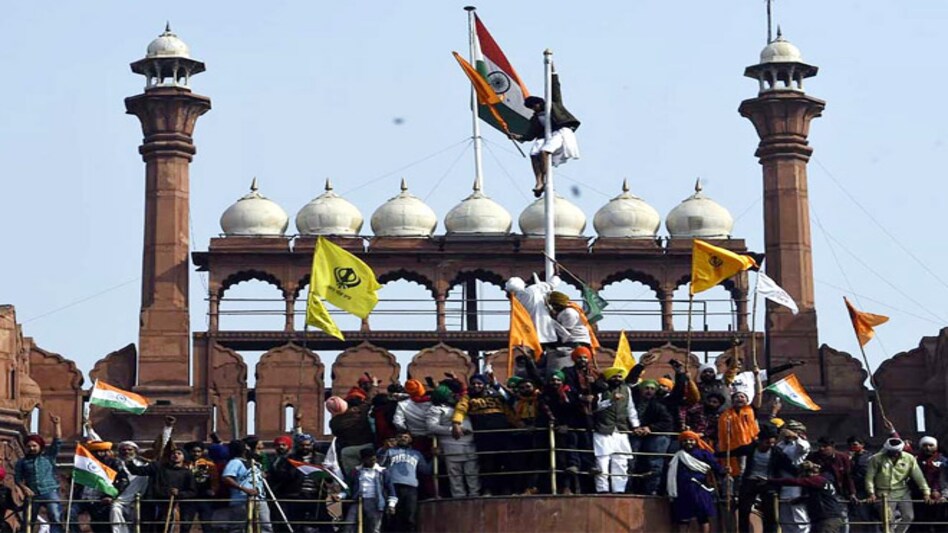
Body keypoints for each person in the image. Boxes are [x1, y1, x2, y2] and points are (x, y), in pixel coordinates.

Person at [513, 65, 581, 197]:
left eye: (534, 106)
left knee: (544, 152)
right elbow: (531, 134)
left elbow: (555, 89)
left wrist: (553, 71)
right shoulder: (536, 117)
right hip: (544, 136)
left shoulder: (553, 105)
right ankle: (538, 181)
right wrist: (518, 137)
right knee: (534, 153)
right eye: (532, 108)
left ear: (539, 103)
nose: (534, 109)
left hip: (560, 132)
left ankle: (545, 179)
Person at [452, 374, 520, 496]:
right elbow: (460, 409)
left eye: (479, 383)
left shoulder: (496, 396)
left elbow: (508, 411)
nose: (476, 386)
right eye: (473, 384)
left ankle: (507, 489)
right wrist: (456, 423)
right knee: (487, 463)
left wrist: (519, 425)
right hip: (483, 437)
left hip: (502, 435)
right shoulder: (468, 398)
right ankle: (488, 490)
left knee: (506, 462)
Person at [723, 426, 796, 533]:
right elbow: (732, 452)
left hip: (767, 483)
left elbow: (789, 466)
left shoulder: (776, 452)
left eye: (772, 443)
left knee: (770, 513)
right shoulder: (750, 448)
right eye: (767, 443)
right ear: (760, 441)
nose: (770, 445)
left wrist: (803, 472)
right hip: (750, 481)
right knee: (744, 510)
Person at [122, 444, 197, 533]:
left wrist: (179, 493)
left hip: (167, 505)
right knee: (146, 527)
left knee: (163, 528)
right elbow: (137, 471)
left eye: (179, 453)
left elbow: (192, 491)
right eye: (174, 453)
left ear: (184, 457)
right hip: (151, 502)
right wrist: (129, 461)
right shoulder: (158, 467)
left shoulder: (187, 473)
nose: (175, 455)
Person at [865, 436, 931, 533]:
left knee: (908, 516)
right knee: (888, 520)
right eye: (891, 452)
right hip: (884, 493)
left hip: (903, 491)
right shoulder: (876, 459)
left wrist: (926, 492)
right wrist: (871, 493)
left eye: (896, 452)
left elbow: (918, 476)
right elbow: (869, 477)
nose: (894, 454)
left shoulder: (909, 458)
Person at [426, 383, 479, 498]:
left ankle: (475, 495)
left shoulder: (459, 406)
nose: (452, 396)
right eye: (449, 394)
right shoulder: (436, 409)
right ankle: (459, 498)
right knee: (456, 477)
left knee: (472, 474)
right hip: (451, 446)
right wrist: (453, 430)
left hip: (469, 445)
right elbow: (432, 427)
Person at [592, 367, 640, 494]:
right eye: (614, 377)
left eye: (619, 377)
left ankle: (619, 490)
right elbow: (595, 407)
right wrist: (611, 401)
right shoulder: (600, 390)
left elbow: (631, 409)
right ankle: (602, 490)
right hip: (603, 430)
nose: (617, 379)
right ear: (608, 378)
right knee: (602, 462)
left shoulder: (626, 390)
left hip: (621, 430)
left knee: (621, 462)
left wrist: (635, 425)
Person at [666, 431, 724, 533]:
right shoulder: (678, 456)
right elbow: (670, 472)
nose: (688, 442)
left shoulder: (704, 454)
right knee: (682, 519)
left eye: (691, 440)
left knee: (703, 517)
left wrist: (724, 471)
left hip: (700, 489)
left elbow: (716, 467)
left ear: (696, 441)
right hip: (682, 490)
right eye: (685, 441)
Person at [768, 460, 847, 533]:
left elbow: (795, 482)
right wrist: (799, 500)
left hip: (827, 519)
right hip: (824, 519)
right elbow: (815, 496)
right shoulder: (821, 482)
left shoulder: (817, 480)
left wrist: (771, 481)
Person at [15, 413, 63, 533]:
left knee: (55, 516)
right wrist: (24, 488)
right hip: (33, 493)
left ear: (40, 446)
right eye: (29, 446)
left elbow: (57, 441)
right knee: (28, 519)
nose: (31, 448)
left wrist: (56, 424)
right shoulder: (22, 462)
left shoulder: (48, 457)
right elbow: (17, 478)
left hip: (50, 490)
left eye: (34, 446)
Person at [378, 431, 431, 533]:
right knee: (391, 516)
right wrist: (384, 449)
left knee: (409, 517)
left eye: (406, 437)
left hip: (411, 487)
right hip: (392, 487)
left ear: (410, 439)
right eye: (400, 437)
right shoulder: (389, 451)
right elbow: (379, 465)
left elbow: (426, 470)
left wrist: (435, 457)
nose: (403, 438)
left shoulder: (417, 454)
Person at [628, 379, 674, 495]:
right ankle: (629, 488)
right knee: (630, 461)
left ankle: (652, 490)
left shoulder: (659, 404)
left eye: (652, 389)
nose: (649, 391)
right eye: (646, 388)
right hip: (636, 434)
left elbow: (667, 421)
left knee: (654, 464)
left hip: (655, 436)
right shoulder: (633, 401)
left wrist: (650, 428)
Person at [221, 440, 271, 533]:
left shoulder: (255, 464)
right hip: (242, 500)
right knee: (238, 527)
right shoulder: (235, 462)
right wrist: (244, 489)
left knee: (265, 525)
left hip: (260, 499)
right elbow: (226, 477)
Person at [342, 448, 395, 533]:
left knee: (373, 527)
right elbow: (347, 487)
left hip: (375, 501)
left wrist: (391, 505)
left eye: (374, 459)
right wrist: (339, 496)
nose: (372, 461)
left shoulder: (382, 472)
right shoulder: (355, 471)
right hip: (358, 500)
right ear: (363, 460)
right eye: (370, 459)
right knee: (349, 524)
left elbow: (390, 489)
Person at [505, 273, 562, 348]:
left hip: (529, 336)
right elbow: (552, 284)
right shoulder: (533, 290)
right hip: (546, 333)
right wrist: (556, 275)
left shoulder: (515, 302)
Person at [774, 422, 812, 533]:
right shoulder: (781, 445)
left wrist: (795, 437)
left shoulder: (801, 444)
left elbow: (803, 448)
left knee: (799, 517)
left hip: (796, 485)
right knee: (785, 519)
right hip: (782, 484)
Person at [330, 393, 377, 477]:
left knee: (353, 477)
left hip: (349, 449)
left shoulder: (335, 422)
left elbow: (336, 433)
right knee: (373, 475)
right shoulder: (365, 410)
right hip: (369, 446)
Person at [180, 441, 218, 533]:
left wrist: (213, 490)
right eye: (193, 451)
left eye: (198, 451)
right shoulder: (183, 464)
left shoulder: (209, 464)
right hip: (188, 499)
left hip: (205, 498)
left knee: (207, 525)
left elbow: (215, 479)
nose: (196, 454)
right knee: (185, 525)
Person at [912, 436, 946, 533]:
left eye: (931, 445)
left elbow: (941, 478)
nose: (928, 448)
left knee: (940, 521)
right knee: (921, 522)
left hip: (939, 495)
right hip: (919, 494)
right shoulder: (915, 460)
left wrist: (936, 491)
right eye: (925, 445)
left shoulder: (942, 460)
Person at [846, 436, 874, 533]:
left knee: (873, 515)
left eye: (855, 444)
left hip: (868, 488)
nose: (852, 447)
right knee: (862, 515)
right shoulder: (849, 457)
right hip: (856, 489)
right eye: (850, 445)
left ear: (862, 445)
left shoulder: (870, 456)